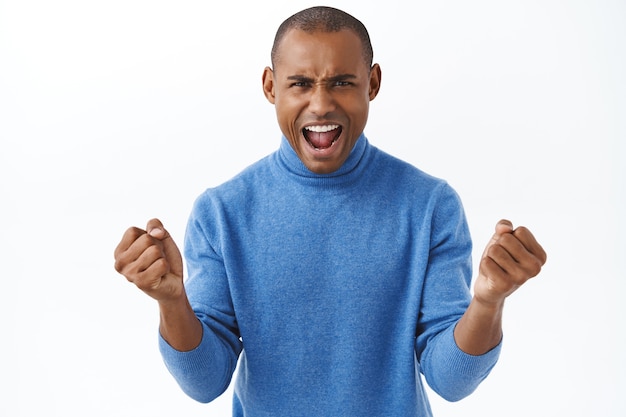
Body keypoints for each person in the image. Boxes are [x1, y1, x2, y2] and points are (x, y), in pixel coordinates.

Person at [114, 6, 547, 416]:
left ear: (372, 83)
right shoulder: (222, 213)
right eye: (300, 83)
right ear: (270, 87)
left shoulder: (430, 205)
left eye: (341, 82)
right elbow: (205, 382)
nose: (320, 104)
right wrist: (172, 300)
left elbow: (450, 381)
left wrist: (488, 302)